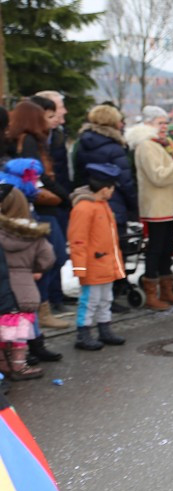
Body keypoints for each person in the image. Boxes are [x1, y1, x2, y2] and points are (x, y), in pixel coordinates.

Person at [5, 100, 72, 331]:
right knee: (49, 259)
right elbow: (37, 180)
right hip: (40, 209)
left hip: (37, 208)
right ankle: (39, 311)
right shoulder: (30, 141)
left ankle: (38, 314)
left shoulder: (22, 140)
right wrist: (65, 196)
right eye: (46, 115)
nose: (49, 119)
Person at [128, 105, 173, 311]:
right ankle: (152, 289)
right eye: (160, 123)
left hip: (168, 205)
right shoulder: (146, 145)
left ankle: (166, 289)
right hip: (156, 207)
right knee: (155, 249)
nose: (165, 127)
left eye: (165, 122)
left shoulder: (163, 143)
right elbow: (158, 175)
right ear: (148, 124)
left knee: (166, 249)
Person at [68, 164, 126, 351]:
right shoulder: (85, 208)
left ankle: (104, 328)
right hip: (93, 264)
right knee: (90, 300)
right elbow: (78, 240)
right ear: (104, 189)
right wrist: (79, 268)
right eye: (111, 188)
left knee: (105, 298)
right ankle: (83, 333)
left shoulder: (102, 205)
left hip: (105, 263)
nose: (113, 191)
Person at [0, 185, 55, 380]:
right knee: (18, 335)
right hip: (24, 288)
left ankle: (4, 365)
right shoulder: (32, 232)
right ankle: (19, 367)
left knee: (3, 331)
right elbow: (47, 259)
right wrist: (35, 269)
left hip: (2, 288)